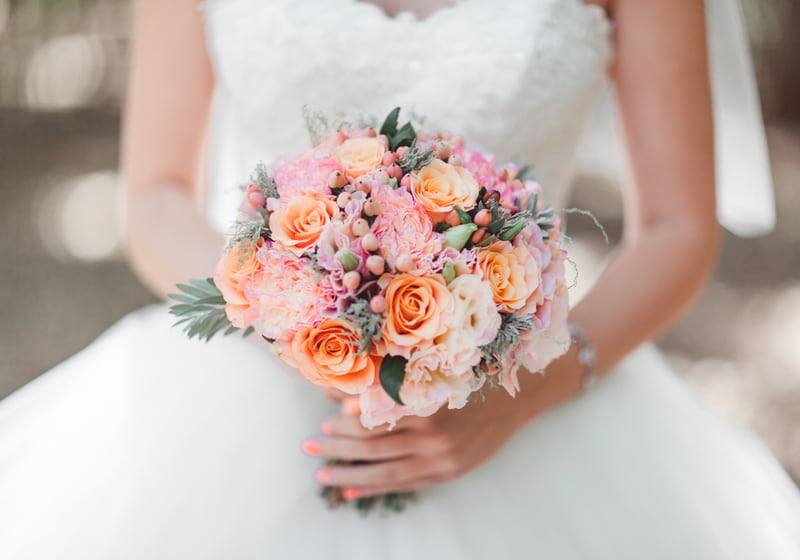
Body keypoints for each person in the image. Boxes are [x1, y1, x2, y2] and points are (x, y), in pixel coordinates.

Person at [1, 0, 799, 557]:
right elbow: (155, 198)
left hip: (525, 398)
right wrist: (295, 317)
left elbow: (677, 228)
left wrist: (521, 395)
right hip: (247, 390)